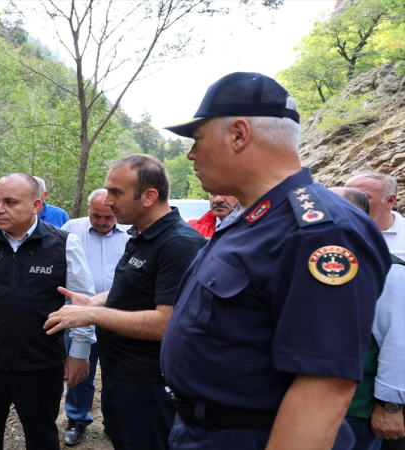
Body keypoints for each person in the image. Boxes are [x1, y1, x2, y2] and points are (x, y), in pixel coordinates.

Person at [159, 72, 391, 450]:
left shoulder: (318, 232)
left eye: (197, 139)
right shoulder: (255, 219)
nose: (191, 154)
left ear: (238, 134)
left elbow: (324, 387)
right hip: (203, 431)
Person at [45, 154, 207, 450]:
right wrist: (92, 302)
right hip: (121, 376)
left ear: (149, 196)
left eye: (115, 192)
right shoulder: (140, 236)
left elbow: (165, 322)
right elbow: (133, 290)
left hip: (152, 385)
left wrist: (92, 316)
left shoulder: (178, 244)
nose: (107, 201)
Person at [0, 173, 96, 450]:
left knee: (42, 436)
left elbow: (83, 303)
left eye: (10, 202)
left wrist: (79, 352)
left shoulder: (63, 244)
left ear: (36, 205)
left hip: (40, 363)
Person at [332, 187, 405, 450]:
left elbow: (399, 341)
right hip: (316, 401)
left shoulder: (389, 269)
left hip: (356, 408)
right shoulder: (316, 262)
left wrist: (390, 406)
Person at [59, 189, 130, 445]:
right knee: (79, 368)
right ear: (87, 209)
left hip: (119, 315)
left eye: (108, 217)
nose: (101, 221)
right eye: (96, 215)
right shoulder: (70, 229)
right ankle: (77, 419)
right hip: (79, 314)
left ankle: (114, 421)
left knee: (118, 372)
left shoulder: (132, 232)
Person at [345, 173, 404, 259]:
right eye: (346, 197)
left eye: (362, 197)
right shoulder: (332, 232)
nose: (349, 203)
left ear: (390, 201)